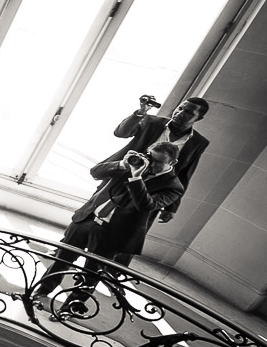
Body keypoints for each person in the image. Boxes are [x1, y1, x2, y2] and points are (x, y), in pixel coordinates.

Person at [35, 142, 184, 309]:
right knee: (61, 259)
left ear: (172, 163)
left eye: (158, 162)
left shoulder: (173, 187)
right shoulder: (135, 162)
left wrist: (136, 177)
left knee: (91, 273)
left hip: (113, 232)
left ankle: (71, 308)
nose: (151, 163)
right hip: (88, 218)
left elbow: (145, 206)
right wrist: (122, 164)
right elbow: (95, 172)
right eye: (150, 157)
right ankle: (41, 291)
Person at [106, 95, 210, 226]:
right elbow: (121, 133)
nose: (180, 113)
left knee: (127, 234)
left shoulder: (198, 142)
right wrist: (141, 112)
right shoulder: (152, 122)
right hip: (119, 181)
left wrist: (171, 207)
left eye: (188, 112)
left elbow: (184, 175)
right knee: (90, 221)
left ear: (199, 118)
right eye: (180, 108)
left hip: (151, 194)